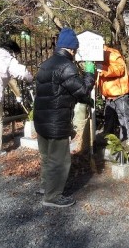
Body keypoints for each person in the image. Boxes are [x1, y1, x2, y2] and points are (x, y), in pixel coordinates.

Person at [34, 27, 95, 208]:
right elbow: (82, 90)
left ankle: (46, 187)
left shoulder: (46, 64)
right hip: (57, 121)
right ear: (71, 49)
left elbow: (59, 91)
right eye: (75, 49)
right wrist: (90, 74)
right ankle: (52, 197)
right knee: (59, 160)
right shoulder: (66, 66)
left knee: (47, 157)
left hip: (41, 119)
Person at [97, 44, 129, 141]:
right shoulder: (98, 55)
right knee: (109, 119)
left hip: (119, 93)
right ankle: (108, 141)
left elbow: (120, 69)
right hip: (109, 94)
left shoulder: (112, 53)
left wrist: (103, 69)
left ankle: (126, 141)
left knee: (123, 119)